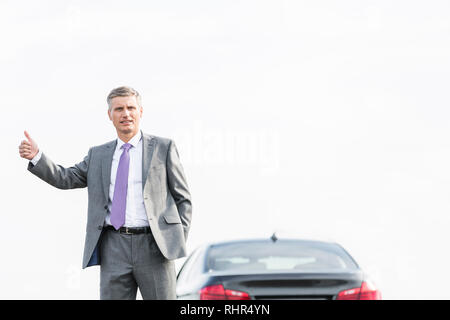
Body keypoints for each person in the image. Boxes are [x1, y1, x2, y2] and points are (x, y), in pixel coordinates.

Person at [18, 86, 192, 300]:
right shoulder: (98, 154)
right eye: (119, 109)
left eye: (131, 108)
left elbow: (183, 198)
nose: (126, 114)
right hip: (114, 247)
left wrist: (174, 238)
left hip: (155, 246)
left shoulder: (163, 148)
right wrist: (37, 157)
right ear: (110, 115)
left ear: (140, 111)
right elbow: (66, 178)